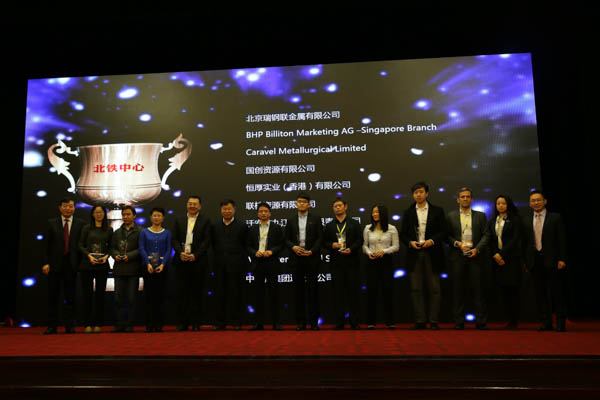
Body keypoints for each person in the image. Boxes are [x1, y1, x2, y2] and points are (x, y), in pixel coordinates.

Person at [399, 182, 447, 330]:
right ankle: (420, 320)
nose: (418, 195)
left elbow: (444, 232)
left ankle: (433, 321)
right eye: (415, 193)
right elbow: (403, 234)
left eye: (421, 192)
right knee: (416, 289)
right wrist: (410, 243)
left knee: (434, 288)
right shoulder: (408, 212)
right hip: (414, 254)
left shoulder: (438, 211)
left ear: (427, 193)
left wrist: (431, 241)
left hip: (433, 253)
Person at [523, 190, 568, 332]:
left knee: (557, 292)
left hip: (553, 260)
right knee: (540, 294)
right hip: (534, 261)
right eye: (533, 200)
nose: (536, 203)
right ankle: (545, 322)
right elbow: (524, 243)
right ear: (530, 203)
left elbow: (561, 239)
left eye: (538, 200)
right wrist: (526, 262)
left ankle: (560, 323)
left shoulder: (555, 218)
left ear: (545, 201)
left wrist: (562, 258)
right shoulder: (526, 220)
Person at [446, 187, 490, 330]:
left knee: (478, 290)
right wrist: (457, 244)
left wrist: (477, 249)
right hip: (457, 256)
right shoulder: (450, 216)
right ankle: (459, 322)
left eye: (468, 196)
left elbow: (487, 235)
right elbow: (447, 236)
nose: (465, 199)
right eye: (462, 197)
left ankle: (481, 321)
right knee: (457, 290)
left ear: (472, 199)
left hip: (476, 256)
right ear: (458, 200)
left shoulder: (481, 216)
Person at [41, 198, 85, 334]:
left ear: (74, 208)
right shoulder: (51, 223)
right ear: (60, 208)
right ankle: (52, 326)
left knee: (70, 297)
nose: (68, 209)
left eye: (70, 206)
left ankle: (70, 326)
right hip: (54, 265)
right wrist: (45, 262)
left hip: (72, 265)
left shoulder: (80, 223)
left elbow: (82, 245)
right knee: (53, 296)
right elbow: (46, 245)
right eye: (65, 206)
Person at [171, 196, 211, 332]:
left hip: (198, 261)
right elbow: (174, 239)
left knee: (197, 293)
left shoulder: (206, 221)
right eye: (190, 203)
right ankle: (183, 323)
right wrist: (180, 252)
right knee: (182, 293)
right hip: (181, 261)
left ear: (200, 206)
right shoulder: (179, 220)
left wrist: (196, 255)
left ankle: (196, 322)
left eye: (195, 204)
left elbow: (206, 241)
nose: (192, 206)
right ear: (187, 205)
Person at [285, 192, 323, 331]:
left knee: (313, 291)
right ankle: (301, 322)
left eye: (304, 202)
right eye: (299, 201)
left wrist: (312, 251)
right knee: (298, 292)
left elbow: (320, 238)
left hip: (311, 258)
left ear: (309, 204)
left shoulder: (316, 219)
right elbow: (286, 239)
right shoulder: (291, 220)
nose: (301, 204)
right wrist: (293, 247)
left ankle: (314, 322)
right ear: (296, 204)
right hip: (296, 259)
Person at [323, 198, 362, 330]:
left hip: (352, 262)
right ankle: (339, 322)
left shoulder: (354, 223)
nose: (337, 208)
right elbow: (324, 242)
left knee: (353, 293)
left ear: (346, 207)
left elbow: (360, 240)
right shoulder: (329, 225)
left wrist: (351, 249)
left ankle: (354, 321)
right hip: (336, 263)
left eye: (340, 205)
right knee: (337, 294)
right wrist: (332, 245)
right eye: (335, 206)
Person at [486, 195, 523, 330]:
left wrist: (502, 254)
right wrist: (496, 255)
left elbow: (515, 239)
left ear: (508, 205)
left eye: (503, 203)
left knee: (513, 290)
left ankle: (514, 320)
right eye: (498, 203)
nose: (500, 206)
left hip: (511, 259)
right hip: (497, 260)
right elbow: (490, 240)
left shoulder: (515, 220)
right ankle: (508, 319)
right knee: (503, 290)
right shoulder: (492, 221)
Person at [212, 199, 248, 330]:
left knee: (236, 293)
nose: (227, 211)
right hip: (219, 265)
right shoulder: (214, 226)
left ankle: (236, 321)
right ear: (221, 210)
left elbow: (246, 245)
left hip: (236, 265)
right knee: (219, 294)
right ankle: (220, 322)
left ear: (234, 210)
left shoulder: (242, 226)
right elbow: (212, 245)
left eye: (229, 209)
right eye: (224, 209)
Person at [247, 202, 284, 330]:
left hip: (272, 262)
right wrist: (254, 252)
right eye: (261, 211)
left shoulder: (276, 228)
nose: (263, 213)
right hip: (257, 264)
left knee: (274, 294)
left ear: (270, 213)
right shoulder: (252, 229)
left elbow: (281, 245)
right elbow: (248, 246)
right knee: (258, 294)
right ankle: (258, 323)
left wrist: (272, 251)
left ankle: (276, 322)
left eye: (266, 211)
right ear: (257, 214)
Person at [362, 204, 399, 329]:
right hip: (372, 261)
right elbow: (364, 245)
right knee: (371, 292)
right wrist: (369, 253)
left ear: (383, 213)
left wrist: (384, 251)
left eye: (377, 212)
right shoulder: (367, 228)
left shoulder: (392, 228)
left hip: (386, 261)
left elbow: (396, 247)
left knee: (388, 291)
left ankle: (390, 321)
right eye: (373, 212)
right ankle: (371, 322)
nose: (374, 214)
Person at [78, 205, 113, 333]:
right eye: (96, 212)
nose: (99, 214)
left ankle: (98, 323)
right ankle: (87, 324)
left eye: (101, 212)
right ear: (92, 214)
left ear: (104, 214)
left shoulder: (109, 229)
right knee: (87, 295)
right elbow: (80, 245)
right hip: (87, 265)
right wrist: (89, 256)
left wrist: (106, 256)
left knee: (100, 296)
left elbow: (111, 247)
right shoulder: (86, 228)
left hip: (102, 265)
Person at [139, 207, 172, 332]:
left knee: (160, 296)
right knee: (148, 296)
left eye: (159, 215)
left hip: (162, 268)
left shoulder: (167, 233)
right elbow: (142, 248)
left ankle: (159, 324)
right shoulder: (144, 232)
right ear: (150, 217)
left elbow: (168, 250)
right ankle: (149, 324)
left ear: (163, 218)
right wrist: (147, 263)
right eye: (154, 215)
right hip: (147, 268)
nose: (157, 218)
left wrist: (163, 264)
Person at [109, 205, 141, 333]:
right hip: (119, 269)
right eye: (124, 215)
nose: (126, 217)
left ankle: (130, 324)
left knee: (132, 299)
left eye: (128, 214)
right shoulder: (117, 232)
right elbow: (112, 248)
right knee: (118, 299)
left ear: (134, 216)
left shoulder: (140, 231)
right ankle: (119, 324)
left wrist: (130, 256)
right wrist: (115, 255)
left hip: (133, 269)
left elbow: (141, 248)